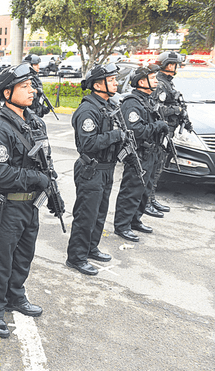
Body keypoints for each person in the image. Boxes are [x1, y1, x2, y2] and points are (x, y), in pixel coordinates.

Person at [0, 63, 56, 338]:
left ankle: (16, 297)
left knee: (23, 256)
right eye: (24, 87)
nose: (31, 91)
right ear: (7, 92)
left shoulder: (33, 121)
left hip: (29, 206)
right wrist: (37, 179)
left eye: (31, 85)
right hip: (7, 206)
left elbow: (44, 160)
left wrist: (51, 187)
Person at [66, 63, 124, 276]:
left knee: (99, 214)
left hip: (106, 169)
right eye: (111, 79)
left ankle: (91, 247)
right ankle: (76, 257)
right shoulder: (88, 109)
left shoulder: (108, 106)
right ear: (98, 84)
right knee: (86, 215)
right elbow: (87, 144)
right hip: (91, 169)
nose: (116, 82)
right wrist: (116, 136)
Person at [113, 65, 169, 243]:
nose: (156, 81)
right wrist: (157, 126)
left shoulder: (148, 100)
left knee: (144, 191)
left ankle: (135, 220)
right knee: (132, 190)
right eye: (152, 78)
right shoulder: (132, 102)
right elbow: (135, 130)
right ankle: (122, 225)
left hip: (152, 153)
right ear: (142, 82)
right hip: (139, 154)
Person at [148, 51, 188, 216]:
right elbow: (157, 108)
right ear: (169, 65)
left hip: (168, 132)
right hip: (160, 133)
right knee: (154, 167)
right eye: (175, 64)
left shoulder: (167, 83)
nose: (176, 67)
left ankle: (151, 198)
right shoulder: (160, 84)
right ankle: (147, 201)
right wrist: (176, 110)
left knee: (159, 167)